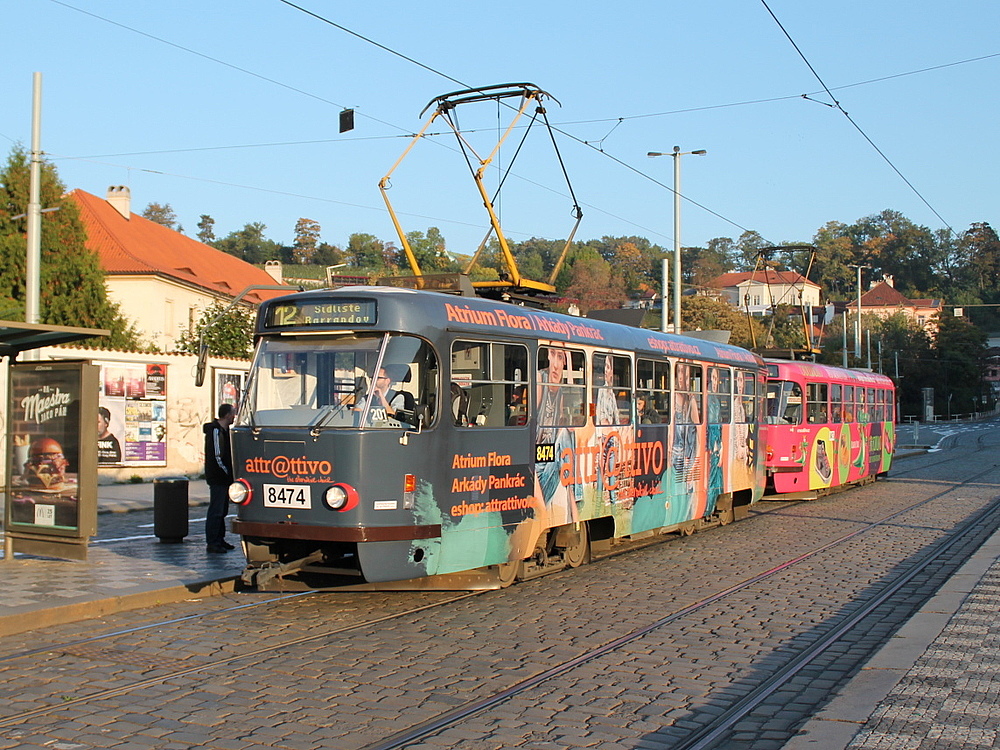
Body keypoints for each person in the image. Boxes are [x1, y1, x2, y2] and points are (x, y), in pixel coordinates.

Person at [203, 403, 236, 554]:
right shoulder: (216, 431)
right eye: (233, 414)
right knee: (216, 510)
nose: (234, 417)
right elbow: (217, 456)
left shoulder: (225, 431)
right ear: (227, 415)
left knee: (222, 510)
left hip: (224, 478)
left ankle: (220, 539)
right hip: (218, 477)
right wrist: (227, 472)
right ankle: (213, 542)